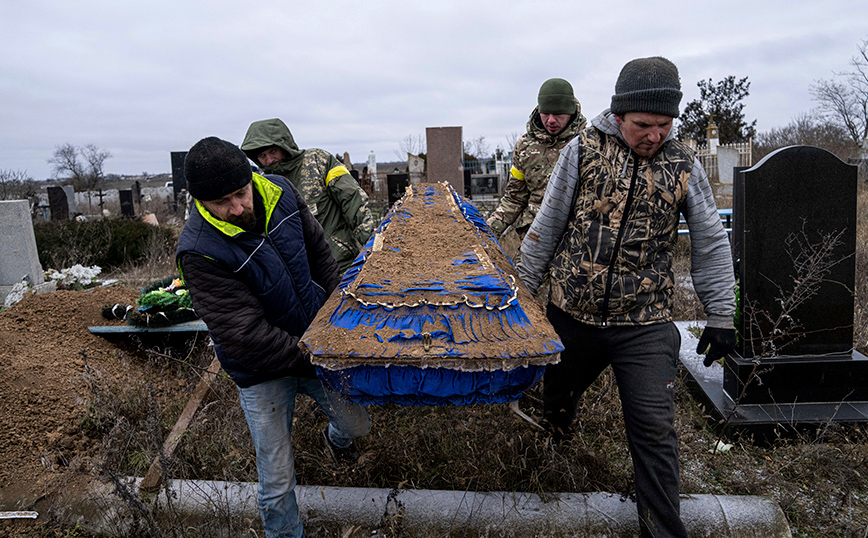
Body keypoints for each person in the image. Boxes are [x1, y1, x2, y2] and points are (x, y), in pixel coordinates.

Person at [518, 57, 736, 537]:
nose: (654, 135)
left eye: (664, 125)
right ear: (618, 116)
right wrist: (523, 299)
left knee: (655, 429)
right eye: (643, 125)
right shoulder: (583, 151)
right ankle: (550, 471)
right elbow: (546, 228)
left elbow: (710, 239)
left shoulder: (683, 164)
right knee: (553, 405)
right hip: (572, 315)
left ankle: (661, 530)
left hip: (645, 322)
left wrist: (721, 313)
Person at [176, 137, 371, 538]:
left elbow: (319, 252)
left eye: (240, 193)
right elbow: (245, 334)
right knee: (277, 480)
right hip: (261, 369)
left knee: (357, 427)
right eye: (221, 203)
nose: (237, 208)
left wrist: (336, 314)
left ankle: (334, 441)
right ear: (199, 202)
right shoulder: (200, 250)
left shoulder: (281, 192)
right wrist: (316, 353)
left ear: (250, 179)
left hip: (315, 342)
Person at [241, 118, 376, 273]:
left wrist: (373, 248)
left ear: (284, 145)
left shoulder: (317, 161)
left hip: (340, 262)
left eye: (273, 151)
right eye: (262, 155)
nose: (269, 160)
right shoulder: (263, 184)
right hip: (301, 273)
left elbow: (353, 201)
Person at [486, 78, 587, 240]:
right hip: (534, 235)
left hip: (575, 240)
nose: (551, 120)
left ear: (571, 112)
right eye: (546, 113)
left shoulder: (587, 145)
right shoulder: (525, 147)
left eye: (558, 114)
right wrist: (490, 230)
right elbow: (515, 196)